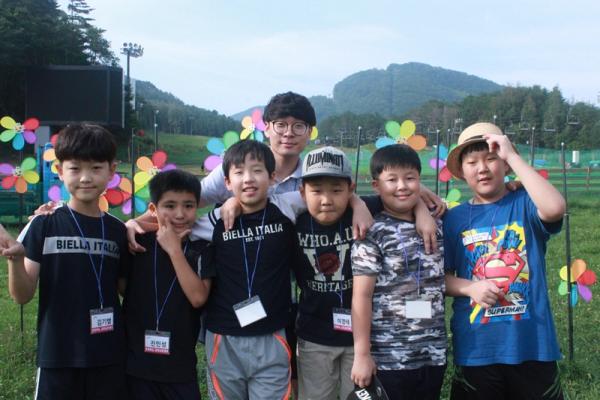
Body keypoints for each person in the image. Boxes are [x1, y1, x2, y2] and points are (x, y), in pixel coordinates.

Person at [443, 122, 565, 399]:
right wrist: (470, 288)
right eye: (472, 162)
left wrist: (512, 156)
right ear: (462, 171)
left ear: (506, 164)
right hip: (477, 348)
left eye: (491, 158)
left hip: (532, 345)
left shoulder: (525, 203)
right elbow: (440, 278)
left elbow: (555, 208)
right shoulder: (453, 219)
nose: (482, 168)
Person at [6, 124, 129, 399]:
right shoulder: (44, 224)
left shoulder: (118, 231)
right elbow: (22, 295)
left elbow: (127, 290)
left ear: (112, 171)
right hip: (57, 356)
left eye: (96, 168)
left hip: (109, 356)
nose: (85, 178)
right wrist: (15, 259)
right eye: (75, 168)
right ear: (59, 170)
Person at [193, 140, 302, 399]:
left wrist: (358, 206)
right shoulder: (216, 220)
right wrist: (133, 224)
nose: (248, 179)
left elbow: (331, 194)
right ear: (227, 182)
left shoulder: (286, 206)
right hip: (224, 336)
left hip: (273, 334)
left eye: (257, 170)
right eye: (239, 172)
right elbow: (173, 221)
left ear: (272, 177)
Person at [351, 144, 447, 399]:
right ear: (376, 186)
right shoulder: (372, 233)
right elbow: (361, 296)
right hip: (389, 358)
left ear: (420, 181)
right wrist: (362, 354)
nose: (402, 186)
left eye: (410, 178)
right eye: (392, 180)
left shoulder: (437, 225)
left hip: (433, 353)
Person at [123, 169, 214, 399]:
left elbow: (198, 298)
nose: (180, 214)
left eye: (188, 205)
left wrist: (174, 250)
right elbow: (123, 286)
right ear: (153, 209)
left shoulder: (202, 248)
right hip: (136, 367)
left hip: (179, 368)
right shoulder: (137, 243)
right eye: (170, 206)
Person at [293, 146, 361, 400]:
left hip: (360, 337)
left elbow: (402, 195)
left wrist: (422, 210)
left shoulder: (362, 213)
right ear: (302, 192)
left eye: (336, 190)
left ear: (351, 190)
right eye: (317, 190)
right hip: (314, 337)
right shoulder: (294, 224)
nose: (326, 199)